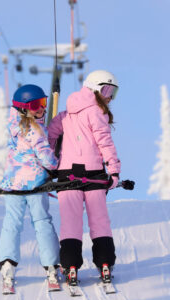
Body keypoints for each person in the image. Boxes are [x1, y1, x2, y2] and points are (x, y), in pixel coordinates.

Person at [48, 70, 121, 286]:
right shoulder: (96, 112)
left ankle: (70, 265)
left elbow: (51, 134)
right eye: (107, 90)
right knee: (99, 220)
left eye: (113, 92)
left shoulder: (65, 114)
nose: (109, 96)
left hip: (66, 174)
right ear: (94, 89)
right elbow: (104, 142)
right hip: (94, 174)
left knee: (70, 222)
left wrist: (53, 162)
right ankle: (105, 261)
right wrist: (114, 170)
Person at [0, 84, 60, 291]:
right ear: (23, 108)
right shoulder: (36, 129)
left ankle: (7, 264)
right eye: (36, 105)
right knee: (42, 221)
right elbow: (46, 158)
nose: (41, 109)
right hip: (34, 186)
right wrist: (57, 165)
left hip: (12, 186)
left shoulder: (12, 127)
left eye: (43, 103)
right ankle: (51, 265)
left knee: (12, 222)